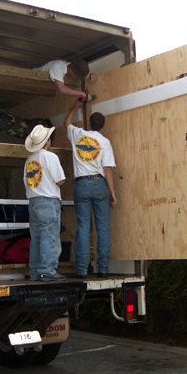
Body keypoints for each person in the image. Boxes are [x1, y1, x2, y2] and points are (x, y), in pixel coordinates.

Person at [63, 99, 117, 279]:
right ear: (102, 126)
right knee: (102, 229)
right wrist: (112, 194)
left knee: (84, 227)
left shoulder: (78, 134)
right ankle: (103, 269)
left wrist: (75, 106)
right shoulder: (105, 142)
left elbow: (66, 123)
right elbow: (107, 169)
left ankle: (81, 270)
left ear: (89, 124)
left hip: (82, 185)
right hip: (99, 183)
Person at [23, 124, 67, 282]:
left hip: (33, 201)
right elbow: (60, 180)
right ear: (47, 141)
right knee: (50, 237)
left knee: (36, 239)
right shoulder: (50, 157)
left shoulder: (29, 160)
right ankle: (47, 271)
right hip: (48, 201)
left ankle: (35, 272)